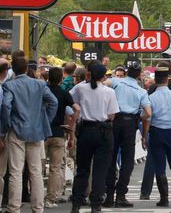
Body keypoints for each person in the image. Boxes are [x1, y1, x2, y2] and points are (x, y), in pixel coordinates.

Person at [0, 56, 58, 213]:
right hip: (36, 130)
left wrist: (5, 128)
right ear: (27, 69)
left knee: (16, 172)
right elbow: (53, 102)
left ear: (14, 69)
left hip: (16, 131)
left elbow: (5, 106)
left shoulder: (9, 86)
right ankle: (38, 208)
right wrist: (45, 120)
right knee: (36, 172)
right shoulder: (39, 84)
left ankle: (14, 208)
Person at [70, 63, 118, 213]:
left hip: (85, 130)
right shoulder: (109, 92)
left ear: (89, 74)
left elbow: (71, 101)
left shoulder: (80, 88)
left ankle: (76, 203)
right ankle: (96, 204)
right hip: (103, 131)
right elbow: (112, 115)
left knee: (82, 169)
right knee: (100, 170)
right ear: (103, 76)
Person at [103, 60, 152, 208]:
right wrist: (140, 122)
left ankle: (109, 195)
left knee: (110, 158)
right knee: (127, 160)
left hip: (114, 121)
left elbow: (103, 85)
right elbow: (148, 113)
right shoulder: (141, 91)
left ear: (126, 72)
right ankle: (121, 195)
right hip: (130, 124)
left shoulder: (115, 82)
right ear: (138, 75)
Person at [142, 65, 171, 208]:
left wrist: (145, 136)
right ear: (168, 79)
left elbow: (147, 119)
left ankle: (164, 198)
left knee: (160, 167)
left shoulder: (151, 97)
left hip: (157, 133)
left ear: (155, 80)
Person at [45, 67, 80, 208]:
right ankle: (50, 198)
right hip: (59, 133)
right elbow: (76, 109)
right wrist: (70, 128)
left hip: (41, 133)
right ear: (61, 79)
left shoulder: (43, 92)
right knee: (55, 167)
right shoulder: (64, 94)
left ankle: (34, 195)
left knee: (36, 169)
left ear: (48, 78)